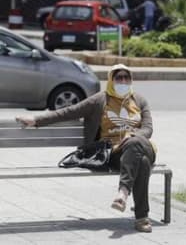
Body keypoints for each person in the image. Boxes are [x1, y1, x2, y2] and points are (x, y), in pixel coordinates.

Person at [16, 64, 156, 232]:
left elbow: (148, 128)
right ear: (111, 80)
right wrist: (36, 120)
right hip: (114, 154)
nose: (123, 81)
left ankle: (123, 192)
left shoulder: (139, 100)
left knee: (135, 144)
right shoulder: (100, 100)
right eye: (119, 78)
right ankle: (142, 218)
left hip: (141, 145)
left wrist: (133, 135)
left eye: (127, 78)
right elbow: (69, 111)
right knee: (143, 162)